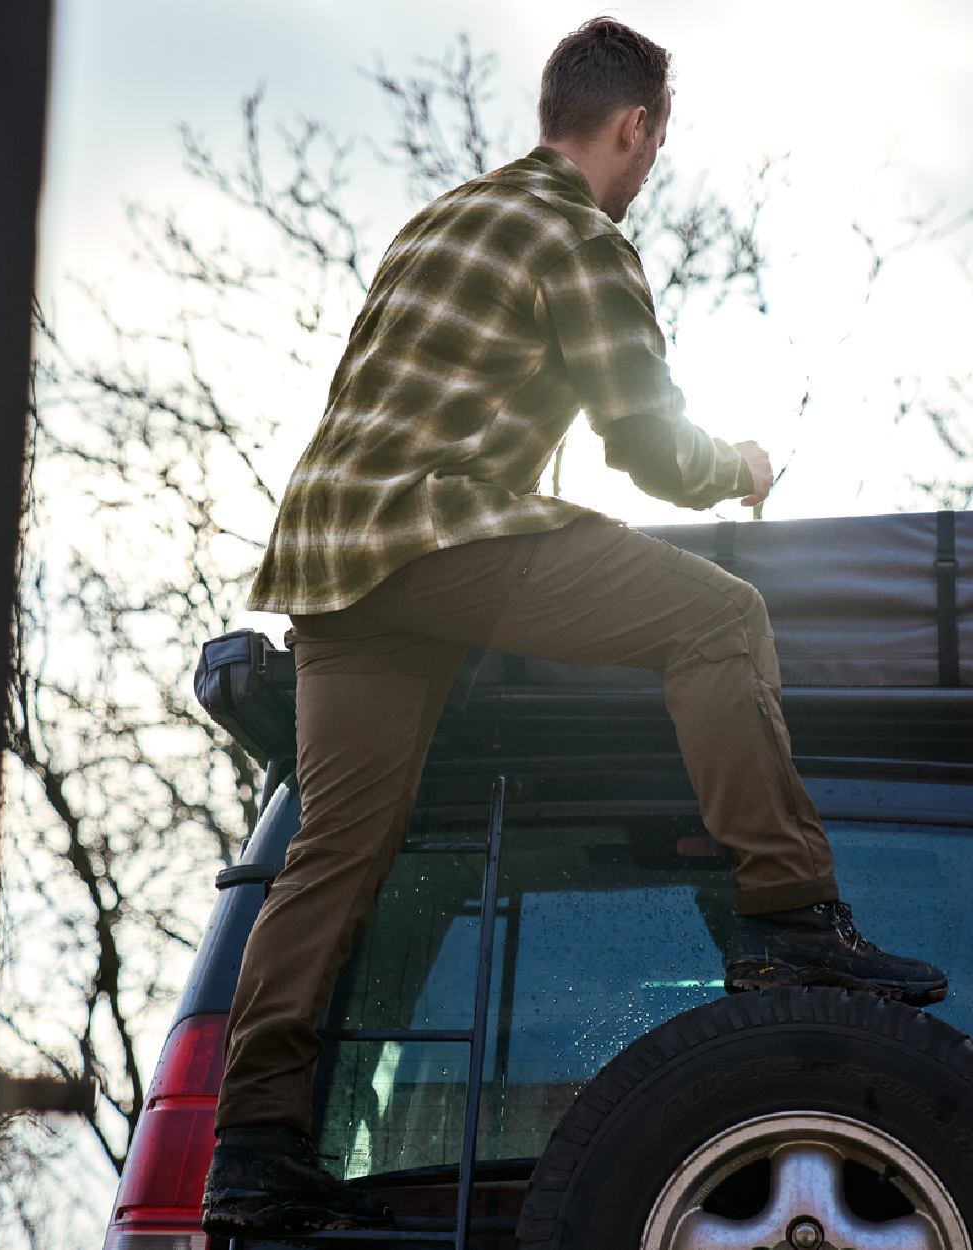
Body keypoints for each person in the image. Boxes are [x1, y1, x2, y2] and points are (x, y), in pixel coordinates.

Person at [201, 17, 947, 1237]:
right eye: (653, 144)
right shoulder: (577, 232)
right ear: (632, 126)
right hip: (444, 533)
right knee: (717, 616)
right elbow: (645, 447)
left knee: (334, 849)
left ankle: (253, 1149)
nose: (647, 169)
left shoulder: (440, 219)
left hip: (332, 561)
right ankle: (791, 924)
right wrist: (740, 462)